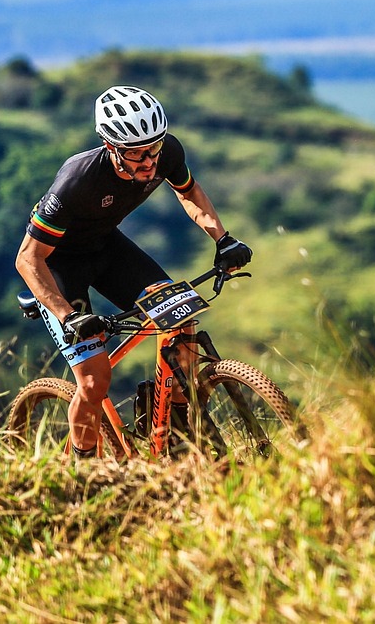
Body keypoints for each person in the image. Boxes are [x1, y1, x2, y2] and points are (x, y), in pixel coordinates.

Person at [14, 85, 253, 459]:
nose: (149, 161)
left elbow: (189, 192)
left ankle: (175, 436)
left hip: (108, 248)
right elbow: (28, 259)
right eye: (137, 153)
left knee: (181, 316)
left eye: (154, 149)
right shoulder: (77, 181)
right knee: (94, 381)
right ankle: (84, 471)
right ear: (110, 146)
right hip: (58, 265)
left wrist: (223, 240)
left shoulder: (166, 152)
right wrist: (69, 316)